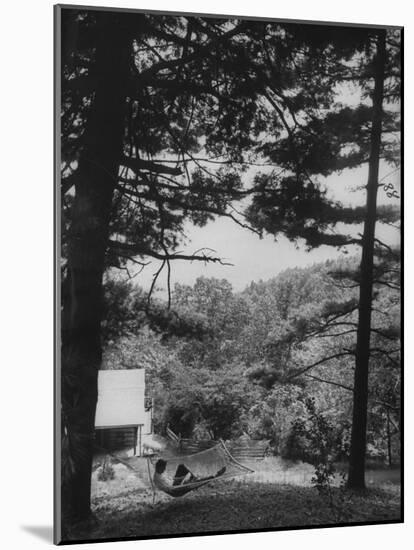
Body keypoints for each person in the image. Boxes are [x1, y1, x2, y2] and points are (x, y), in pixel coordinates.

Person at [153, 458, 226, 491]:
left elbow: (171, 479)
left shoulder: (162, 473)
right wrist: (183, 484)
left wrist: (180, 478)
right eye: (163, 468)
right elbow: (169, 488)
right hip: (175, 490)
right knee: (194, 483)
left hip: (175, 484)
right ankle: (215, 476)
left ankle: (194, 478)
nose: (164, 469)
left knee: (181, 466)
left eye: (165, 467)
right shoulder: (158, 478)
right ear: (158, 467)